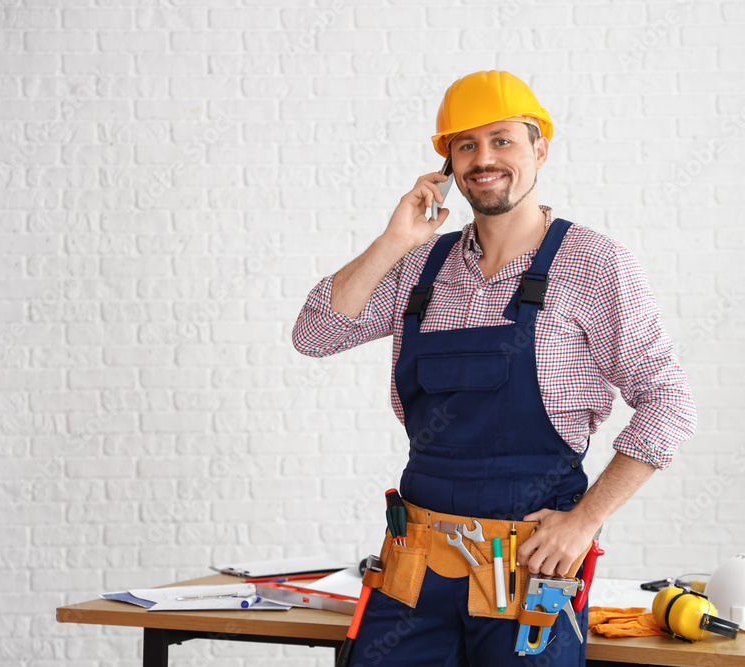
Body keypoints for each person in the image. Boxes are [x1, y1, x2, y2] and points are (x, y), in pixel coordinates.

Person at [293, 70, 696, 667]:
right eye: (466, 145)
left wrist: (584, 522)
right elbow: (315, 334)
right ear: (449, 165)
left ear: (540, 150)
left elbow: (670, 402)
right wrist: (393, 239)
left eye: (502, 140)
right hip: (413, 572)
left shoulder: (593, 263)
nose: (484, 159)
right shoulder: (419, 267)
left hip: (529, 575)